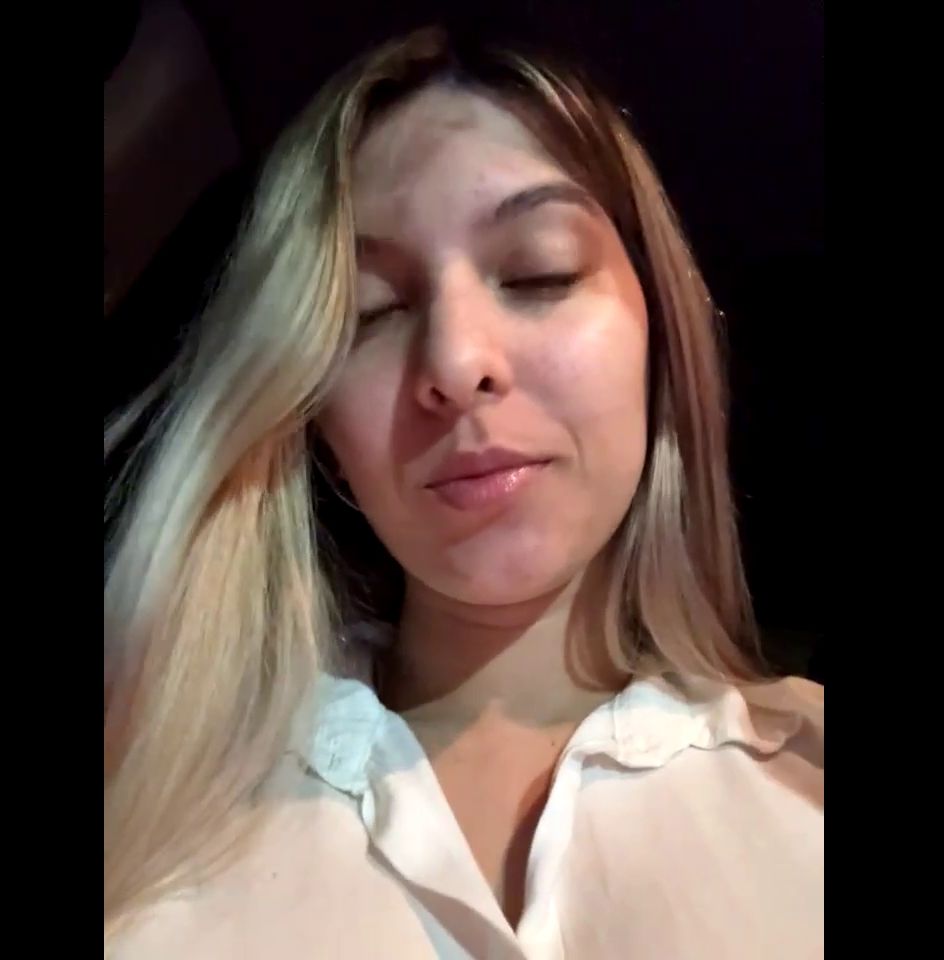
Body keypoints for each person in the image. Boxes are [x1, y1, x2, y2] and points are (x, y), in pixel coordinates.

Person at [104, 25, 823, 959]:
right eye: (371, 312)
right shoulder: (152, 811)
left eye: (538, 272)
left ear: (657, 343)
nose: (453, 361)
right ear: (316, 420)